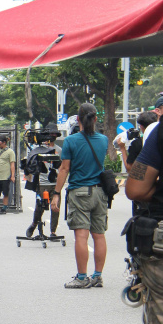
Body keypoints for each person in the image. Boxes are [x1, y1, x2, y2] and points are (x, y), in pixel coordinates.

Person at [51, 103, 109, 289]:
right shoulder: (103, 140)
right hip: (100, 192)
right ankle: (97, 276)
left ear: (78, 119)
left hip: (80, 192)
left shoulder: (71, 141)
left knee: (81, 237)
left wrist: (56, 193)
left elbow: (64, 169)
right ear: (95, 119)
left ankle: (82, 278)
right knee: (99, 235)